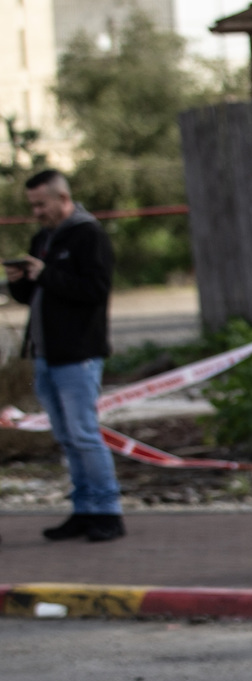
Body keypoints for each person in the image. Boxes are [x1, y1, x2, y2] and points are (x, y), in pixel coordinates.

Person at [5, 170, 120, 542]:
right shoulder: (44, 238)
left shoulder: (88, 235)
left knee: (85, 434)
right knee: (67, 437)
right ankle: (83, 508)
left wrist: (47, 274)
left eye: (42, 204)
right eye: (32, 206)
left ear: (62, 198)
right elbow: (32, 295)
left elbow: (95, 289)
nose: (36, 212)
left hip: (77, 353)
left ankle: (108, 512)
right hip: (45, 353)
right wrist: (20, 280)